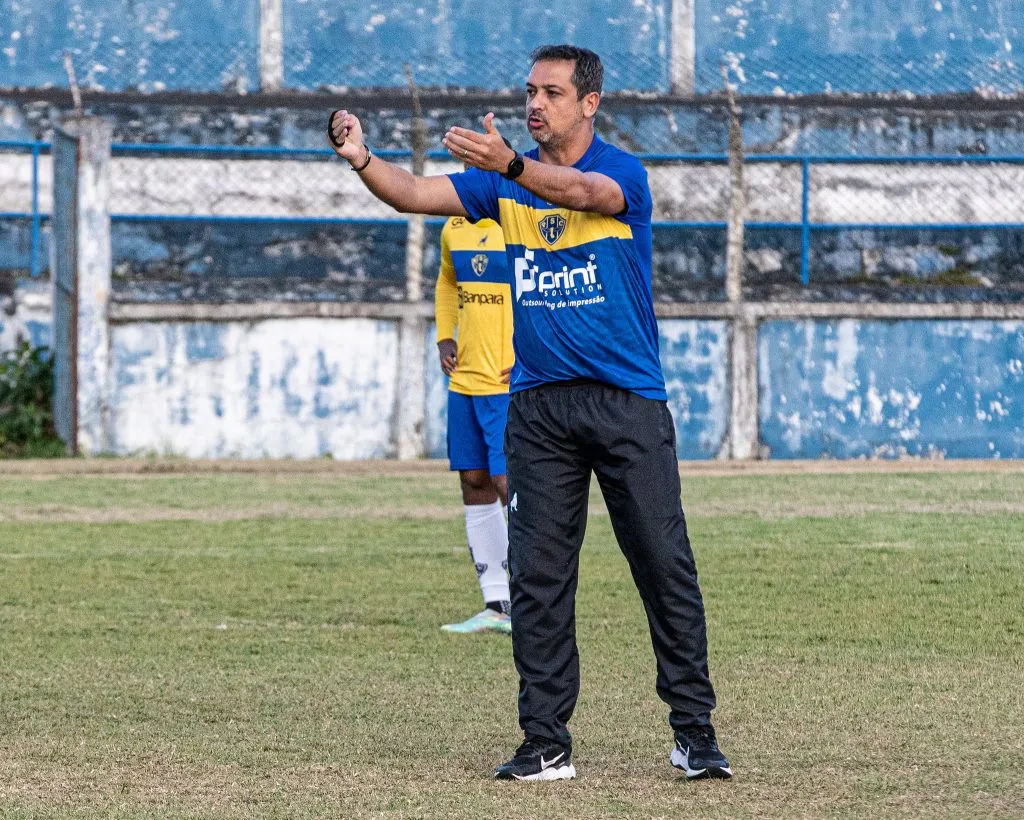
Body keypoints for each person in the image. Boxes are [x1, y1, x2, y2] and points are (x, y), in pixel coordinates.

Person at [328, 44, 731, 783]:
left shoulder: (622, 171)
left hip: (626, 402)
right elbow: (414, 193)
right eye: (529, 92)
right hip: (539, 406)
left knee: (664, 567)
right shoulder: (502, 183)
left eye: (551, 92)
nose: (534, 104)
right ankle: (545, 742)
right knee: (538, 578)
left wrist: (510, 165)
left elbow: (585, 195)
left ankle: (694, 734)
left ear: (590, 103)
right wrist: (361, 157)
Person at [434, 213, 515, 635]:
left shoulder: (514, 219)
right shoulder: (452, 226)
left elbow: (537, 285)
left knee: (509, 484)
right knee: (475, 479)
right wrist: (444, 336)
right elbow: (448, 281)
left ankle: (535, 602)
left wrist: (529, 352)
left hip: (505, 382)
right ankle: (498, 604)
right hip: (464, 379)